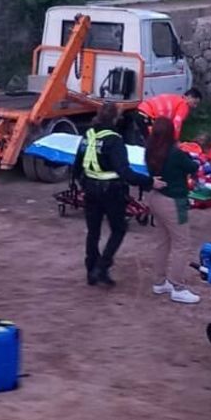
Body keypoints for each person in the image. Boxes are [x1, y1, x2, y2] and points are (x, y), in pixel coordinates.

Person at [73, 102, 152, 287]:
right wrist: (149, 181)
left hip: (91, 188)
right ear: (116, 118)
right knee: (118, 229)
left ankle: (90, 268)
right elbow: (125, 172)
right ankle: (102, 266)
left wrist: (83, 183)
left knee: (93, 232)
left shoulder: (88, 135)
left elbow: (77, 165)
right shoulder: (115, 140)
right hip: (112, 191)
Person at [143, 119, 201, 304]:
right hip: (173, 201)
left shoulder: (149, 150)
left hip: (155, 198)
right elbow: (193, 166)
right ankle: (177, 286)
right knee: (181, 244)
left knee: (162, 242)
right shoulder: (175, 153)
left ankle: (160, 282)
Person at [131, 88, 204, 145]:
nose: (195, 106)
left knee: (143, 140)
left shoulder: (175, 98)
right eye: (194, 103)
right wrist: (175, 140)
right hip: (148, 115)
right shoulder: (183, 105)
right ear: (189, 97)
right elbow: (177, 124)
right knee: (152, 143)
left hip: (140, 110)